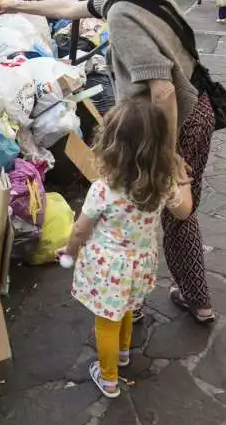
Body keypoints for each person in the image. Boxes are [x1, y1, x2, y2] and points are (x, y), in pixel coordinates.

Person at [0, 0, 216, 324]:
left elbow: (161, 90)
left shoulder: (123, 13)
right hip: (196, 107)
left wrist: (165, 157)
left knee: (170, 209)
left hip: (172, 122)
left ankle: (143, 295)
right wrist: (15, 4)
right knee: (166, 209)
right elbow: (72, 6)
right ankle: (191, 297)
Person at [55, 98, 193, 398]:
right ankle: (123, 355)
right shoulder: (163, 182)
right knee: (128, 307)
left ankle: (108, 379)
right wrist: (182, 178)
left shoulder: (103, 189)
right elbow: (184, 212)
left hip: (108, 269)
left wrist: (68, 252)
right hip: (139, 265)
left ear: (112, 146)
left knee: (106, 322)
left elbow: (81, 229)